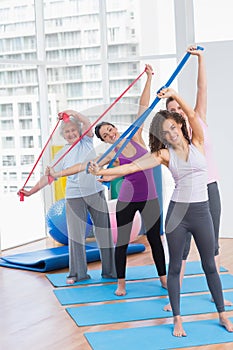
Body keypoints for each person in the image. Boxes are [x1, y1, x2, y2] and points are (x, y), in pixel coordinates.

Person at [88, 87, 233, 337]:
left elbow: (191, 112)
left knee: (210, 264)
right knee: (175, 267)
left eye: (173, 128)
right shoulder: (163, 154)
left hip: (201, 212)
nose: (171, 134)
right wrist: (100, 173)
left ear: (180, 125)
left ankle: (222, 315)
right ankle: (177, 319)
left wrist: (175, 93)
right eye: (165, 133)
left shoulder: (197, 141)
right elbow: (130, 168)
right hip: (178, 214)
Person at [47, 65, 167, 296]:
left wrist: (149, 78)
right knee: (121, 243)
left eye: (111, 130)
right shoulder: (110, 154)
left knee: (155, 240)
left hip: (150, 198)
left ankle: (163, 278)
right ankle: (120, 283)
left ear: (115, 128)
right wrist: (60, 173)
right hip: (126, 201)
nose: (110, 134)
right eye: (105, 135)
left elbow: (143, 108)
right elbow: (84, 166)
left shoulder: (136, 136)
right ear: (103, 139)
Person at [164, 45, 232, 310]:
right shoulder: (172, 138)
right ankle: (175, 297)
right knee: (180, 250)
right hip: (184, 197)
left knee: (211, 246)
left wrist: (201, 58)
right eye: (172, 109)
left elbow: (202, 90)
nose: (178, 111)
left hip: (209, 190)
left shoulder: (198, 120)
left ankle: (217, 296)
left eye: (179, 107)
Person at [18, 110, 116, 284]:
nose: (71, 134)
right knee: (75, 236)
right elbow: (50, 176)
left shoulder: (86, 141)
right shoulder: (62, 154)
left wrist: (70, 113)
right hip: (74, 196)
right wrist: (31, 191)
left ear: (79, 131)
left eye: (73, 130)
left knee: (104, 233)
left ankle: (111, 272)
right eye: (67, 131)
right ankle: (78, 274)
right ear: (63, 135)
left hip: (95, 191)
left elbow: (86, 121)